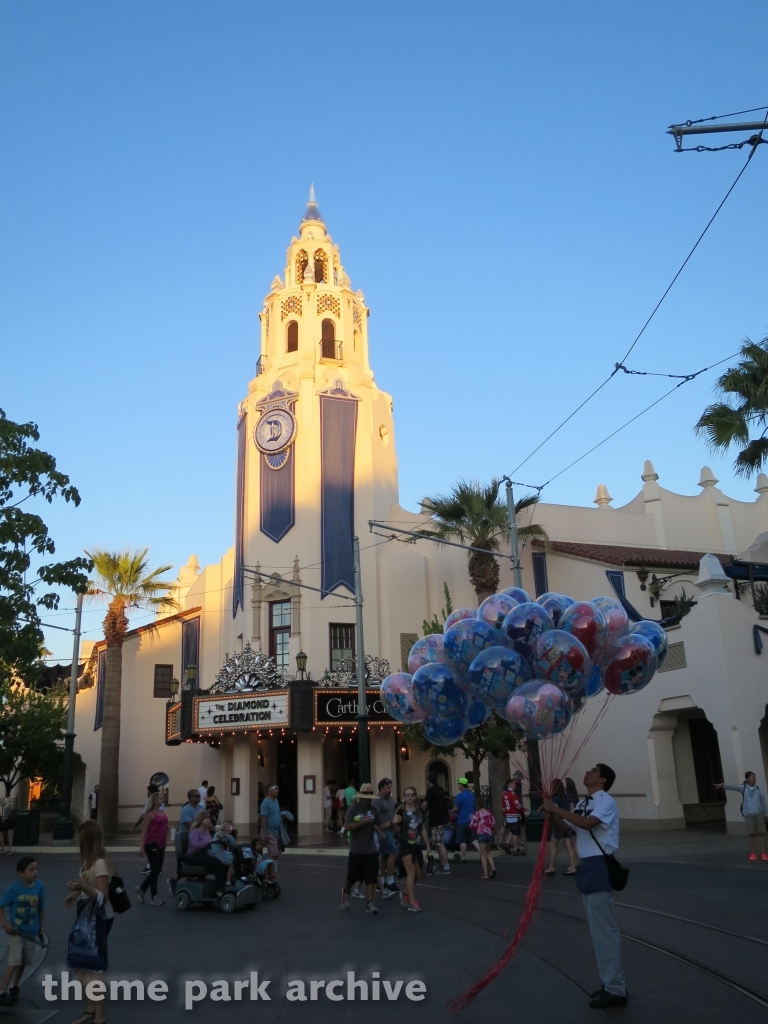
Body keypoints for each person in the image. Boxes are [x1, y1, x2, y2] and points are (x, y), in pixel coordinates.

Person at [543, 763, 627, 1009]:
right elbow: (563, 829)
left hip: (600, 866)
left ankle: (616, 989)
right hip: (587, 867)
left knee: (604, 930)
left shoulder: (606, 802)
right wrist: (552, 813)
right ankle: (610, 983)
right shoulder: (583, 803)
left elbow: (588, 824)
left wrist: (557, 808)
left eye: (593, 770)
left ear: (601, 779)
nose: (587, 772)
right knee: (596, 930)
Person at [64, 820, 113, 1024]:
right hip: (85, 913)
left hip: (100, 916)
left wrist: (82, 889)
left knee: (93, 965)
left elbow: (104, 896)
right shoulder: (88, 861)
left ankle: (99, 1014)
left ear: (88, 840)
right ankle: (91, 1008)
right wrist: (76, 892)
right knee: (79, 962)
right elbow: (88, 885)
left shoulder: (100, 862)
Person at [0, 857, 46, 1006]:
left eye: (36, 869)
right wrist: (6, 923)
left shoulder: (39, 887)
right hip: (16, 932)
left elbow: (41, 908)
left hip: (31, 933)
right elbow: (1, 906)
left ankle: (15, 987)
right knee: (14, 960)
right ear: (21, 873)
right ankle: (2, 991)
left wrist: (42, 926)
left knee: (23, 962)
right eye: (31, 870)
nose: (35, 872)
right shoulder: (14, 889)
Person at [340, 783, 382, 914]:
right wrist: (363, 822)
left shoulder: (374, 810)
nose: (367, 799)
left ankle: (370, 903)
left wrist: (393, 823)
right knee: (352, 877)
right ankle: (346, 891)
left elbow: (380, 823)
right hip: (356, 849)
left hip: (371, 849)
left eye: (369, 797)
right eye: (364, 796)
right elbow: (347, 826)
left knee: (371, 877)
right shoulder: (353, 809)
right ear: (360, 797)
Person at [716, 772, 768, 860]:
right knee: (751, 834)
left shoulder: (759, 789)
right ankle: (753, 853)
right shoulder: (743, 788)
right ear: (747, 779)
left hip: (759, 814)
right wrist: (722, 785)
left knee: (761, 834)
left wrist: (766, 814)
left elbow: (763, 802)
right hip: (749, 815)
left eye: (755, 777)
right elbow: (733, 786)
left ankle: (764, 853)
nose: (754, 779)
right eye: (752, 778)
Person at [393, 786, 429, 912]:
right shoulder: (400, 810)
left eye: (411, 794)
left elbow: (423, 828)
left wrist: (428, 845)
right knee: (411, 873)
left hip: (417, 845)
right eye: (406, 795)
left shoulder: (420, 811)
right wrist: (394, 822)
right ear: (404, 797)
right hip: (405, 843)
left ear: (415, 796)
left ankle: (405, 893)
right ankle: (412, 902)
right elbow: (397, 830)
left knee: (418, 874)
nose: (409, 797)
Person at [185, 811, 231, 896]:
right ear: (201, 820)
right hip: (195, 855)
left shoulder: (206, 832)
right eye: (207, 818)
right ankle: (219, 890)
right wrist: (207, 842)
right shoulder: (195, 831)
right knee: (218, 864)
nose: (209, 820)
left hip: (205, 853)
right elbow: (195, 846)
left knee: (224, 862)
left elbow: (212, 839)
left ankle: (223, 885)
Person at [135, 789, 168, 906]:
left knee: (157, 870)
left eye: (161, 798)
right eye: (159, 798)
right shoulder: (149, 814)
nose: (161, 799)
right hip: (152, 844)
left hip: (161, 844)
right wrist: (141, 847)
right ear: (154, 801)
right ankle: (154, 896)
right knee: (154, 871)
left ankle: (142, 889)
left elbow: (163, 825)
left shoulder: (162, 813)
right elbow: (144, 832)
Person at [169, 788, 202, 894]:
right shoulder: (186, 810)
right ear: (191, 798)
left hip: (199, 837)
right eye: (197, 796)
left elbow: (205, 820)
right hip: (187, 839)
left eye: (199, 795)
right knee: (190, 863)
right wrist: (203, 826)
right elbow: (191, 826)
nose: (199, 797)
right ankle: (175, 881)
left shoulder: (200, 808)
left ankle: (194, 881)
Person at [546, 778, 578, 876]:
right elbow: (572, 809)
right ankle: (573, 867)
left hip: (559, 824)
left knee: (553, 844)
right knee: (568, 845)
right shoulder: (568, 796)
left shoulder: (555, 798)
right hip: (568, 823)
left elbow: (555, 811)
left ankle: (551, 867)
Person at [372, 778, 399, 896]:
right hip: (383, 830)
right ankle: (390, 881)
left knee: (383, 856)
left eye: (391, 787)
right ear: (381, 788)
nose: (390, 790)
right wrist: (379, 831)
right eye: (388, 787)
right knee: (393, 853)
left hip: (391, 829)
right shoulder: (377, 801)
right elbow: (373, 818)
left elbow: (391, 814)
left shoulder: (390, 799)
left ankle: (381, 883)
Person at [422, 772, 451, 874]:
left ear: (428, 780)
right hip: (443, 818)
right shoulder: (440, 789)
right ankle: (444, 863)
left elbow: (424, 805)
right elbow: (435, 805)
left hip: (437, 820)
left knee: (439, 843)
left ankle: (446, 866)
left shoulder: (431, 790)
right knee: (437, 842)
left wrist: (419, 814)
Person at [470, 797, 496, 879]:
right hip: (489, 834)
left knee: (483, 854)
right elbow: (493, 823)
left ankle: (485, 874)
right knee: (488, 852)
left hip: (481, 834)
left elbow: (472, 826)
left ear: (477, 805)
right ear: (484, 804)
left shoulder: (477, 814)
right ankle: (493, 867)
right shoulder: (489, 813)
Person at [499, 778, 525, 856]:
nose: (515, 785)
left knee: (513, 831)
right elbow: (517, 805)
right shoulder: (513, 794)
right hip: (514, 814)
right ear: (510, 785)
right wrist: (523, 810)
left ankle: (508, 844)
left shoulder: (505, 794)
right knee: (515, 833)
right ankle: (515, 849)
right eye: (514, 783)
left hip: (508, 815)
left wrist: (505, 815)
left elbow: (503, 807)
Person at [452, 778, 475, 863]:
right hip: (471, 820)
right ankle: (482, 854)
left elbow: (455, 808)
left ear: (461, 785)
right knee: (473, 838)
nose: (458, 785)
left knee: (462, 840)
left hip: (462, 820)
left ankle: (463, 858)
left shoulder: (460, 796)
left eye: (458, 784)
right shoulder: (471, 795)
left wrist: (451, 811)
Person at [260, 784, 282, 860]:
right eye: (275, 789)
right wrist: (265, 833)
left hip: (275, 832)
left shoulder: (276, 801)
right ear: (270, 791)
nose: (277, 791)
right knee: (274, 853)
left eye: (277, 789)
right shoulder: (265, 802)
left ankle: (269, 869)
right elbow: (263, 817)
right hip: (269, 832)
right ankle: (266, 867)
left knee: (271, 853)